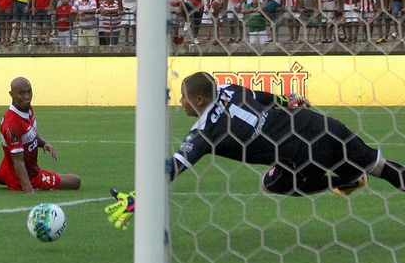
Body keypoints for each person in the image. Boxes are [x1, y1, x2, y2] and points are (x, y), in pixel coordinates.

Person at [168, 72, 405, 197]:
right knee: (379, 166)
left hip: (302, 153)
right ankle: (351, 177)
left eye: (183, 96)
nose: (181, 102)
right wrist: (287, 99)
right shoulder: (228, 89)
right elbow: (261, 97)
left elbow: (175, 168)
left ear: (199, 100)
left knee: (270, 183)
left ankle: (344, 181)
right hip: (315, 122)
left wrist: (134, 201)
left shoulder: (204, 132)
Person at [0, 77, 82, 193]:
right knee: (75, 181)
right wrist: (29, 189)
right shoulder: (12, 124)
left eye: (29, 92)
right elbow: (18, 162)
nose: (27, 97)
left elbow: (32, 131)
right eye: (22, 93)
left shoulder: (27, 108)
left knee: (6, 171)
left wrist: (44, 143)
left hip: (7, 166)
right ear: (11, 95)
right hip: (27, 176)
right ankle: (3, 178)